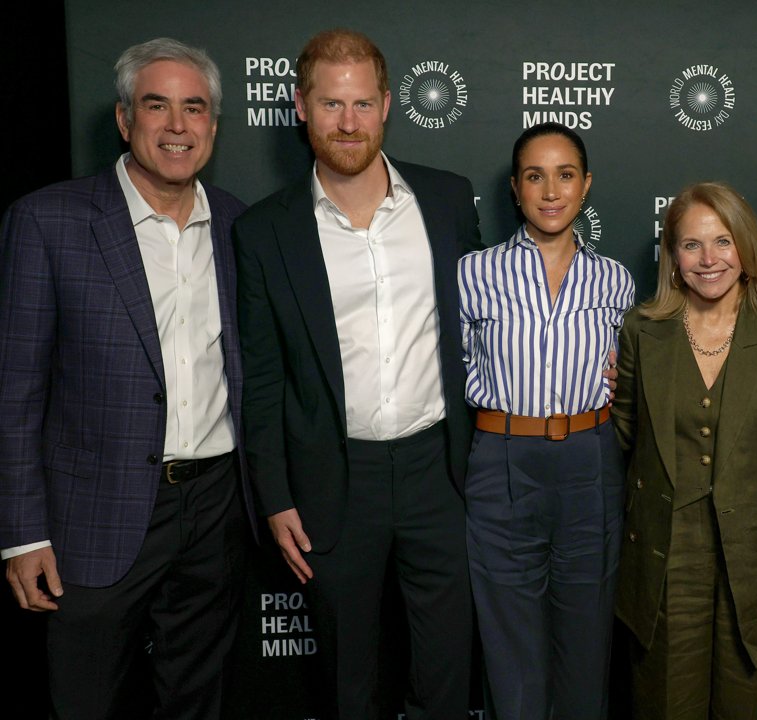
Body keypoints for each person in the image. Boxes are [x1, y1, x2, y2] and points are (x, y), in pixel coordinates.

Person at [0, 38, 255, 719]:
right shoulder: (47, 220)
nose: (177, 125)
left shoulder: (237, 223)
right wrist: (24, 534)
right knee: (86, 700)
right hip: (94, 513)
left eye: (194, 108)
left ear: (213, 125)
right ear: (123, 119)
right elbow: (16, 390)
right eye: (157, 106)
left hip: (215, 509)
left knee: (197, 697)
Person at [232, 28, 480, 719]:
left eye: (363, 104)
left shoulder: (447, 201)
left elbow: (493, 324)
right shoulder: (263, 232)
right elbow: (261, 374)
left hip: (443, 474)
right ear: (300, 107)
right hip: (333, 481)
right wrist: (276, 496)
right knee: (348, 680)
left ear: (389, 105)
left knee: (447, 671)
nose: (349, 122)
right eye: (332, 104)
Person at [612, 182, 757, 719]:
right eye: (691, 245)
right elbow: (621, 441)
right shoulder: (642, 331)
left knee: (741, 706)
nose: (709, 260)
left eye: (723, 242)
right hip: (664, 554)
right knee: (664, 704)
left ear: (747, 248)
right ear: (673, 257)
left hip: (752, 556)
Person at [458, 121, 634, 719]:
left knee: (587, 639)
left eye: (565, 175)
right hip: (502, 458)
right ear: (514, 187)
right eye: (536, 176)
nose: (551, 190)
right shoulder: (473, 274)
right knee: (512, 648)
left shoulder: (616, 279)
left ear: (586, 185)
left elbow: (632, 375)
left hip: (591, 457)